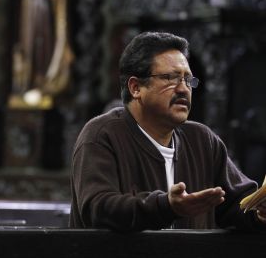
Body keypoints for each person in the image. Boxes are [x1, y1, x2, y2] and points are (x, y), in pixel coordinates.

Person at [70, 31, 266, 232]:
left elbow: (238, 206)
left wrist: (259, 212)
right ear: (136, 88)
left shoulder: (202, 140)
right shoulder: (102, 135)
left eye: (188, 80)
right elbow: (99, 209)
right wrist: (167, 206)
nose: (183, 89)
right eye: (170, 78)